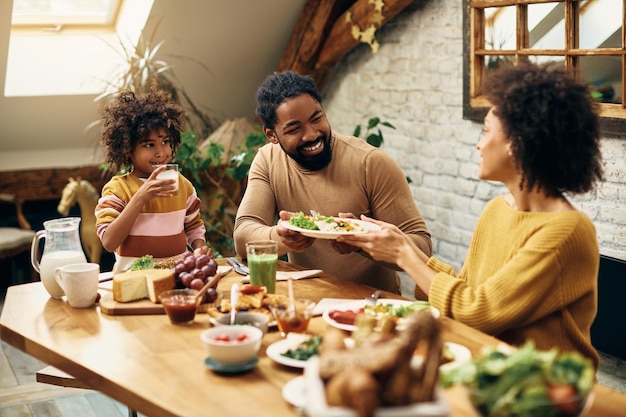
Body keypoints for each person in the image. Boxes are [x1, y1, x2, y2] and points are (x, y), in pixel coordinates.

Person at [338, 61, 604, 368]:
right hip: (487, 371)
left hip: (544, 390)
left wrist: (403, 255)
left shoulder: (567, 231)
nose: (479, 144)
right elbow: (466, 293)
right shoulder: (497, 210)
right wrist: (402, 245)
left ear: (517, 144)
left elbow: (478, 313)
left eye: (487, 130)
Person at [233, 70, 432, 294]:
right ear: (272, 135)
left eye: (316, 118)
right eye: (294, 129)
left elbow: (423, 249)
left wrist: (362, 240)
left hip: (372, 305)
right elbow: (243, 237)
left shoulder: (371, 163)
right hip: (305, 302)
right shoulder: (268, 160)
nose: (311, 135)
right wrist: (282, 238)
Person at [95, 88, 206, 272]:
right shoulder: (117, 189)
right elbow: (108, 241)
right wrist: (141, 198)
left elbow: (193, 226)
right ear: (128, 150)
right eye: (149, 145)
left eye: (165, 142)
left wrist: (200, 250)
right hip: (133, 283)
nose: (161, 152)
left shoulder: (183, 185)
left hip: (178, 278)